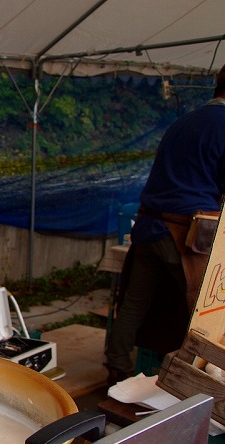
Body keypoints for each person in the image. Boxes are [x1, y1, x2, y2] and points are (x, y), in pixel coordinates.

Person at [104, 64, 225, 385]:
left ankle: (116, 366)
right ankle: (189, 382)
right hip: (188, 232)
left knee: (134, 302)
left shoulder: (183, 122)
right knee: (203, 313)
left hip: (149, 225)